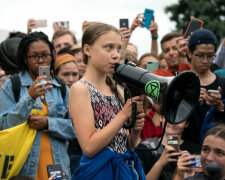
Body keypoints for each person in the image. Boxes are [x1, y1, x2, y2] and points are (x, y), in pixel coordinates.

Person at [69, 23, 146, 179]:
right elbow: (89, 147)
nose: (116, 55)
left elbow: (126, 145)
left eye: (118, 49)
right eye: (108, 47)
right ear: (87, 50)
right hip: (99, 172)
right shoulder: (80, 89)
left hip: (122, 170)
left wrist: (135, 129)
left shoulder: (117, 89)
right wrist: (123, 116)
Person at [0, 32, 75, 179]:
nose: (41, 60)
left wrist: (48, 123)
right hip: (24, 169)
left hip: (57, 166)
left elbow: (76, 129)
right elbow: (4, 126)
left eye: (45, 55)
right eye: (34, 56)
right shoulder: (13, 86)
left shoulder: (61, 87)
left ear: (52, 55)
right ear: (25, 58)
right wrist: (29, 97)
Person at [182, 29, 225, 144]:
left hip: (216, 149)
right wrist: (188, 100)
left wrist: (219, 107)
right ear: (189, 53)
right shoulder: (180, 83)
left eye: (210, 56)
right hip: (185, 149)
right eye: (200, 56)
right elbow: (169, 119)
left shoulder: (223, 84)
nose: (205, 61)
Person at [135, 118, 201, 180]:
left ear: (187, 123)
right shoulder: (145, 147)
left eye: (180, 118)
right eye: (169, 116)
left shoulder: (197, 150)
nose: (174, 122)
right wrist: (160, 163)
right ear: (161, 118)